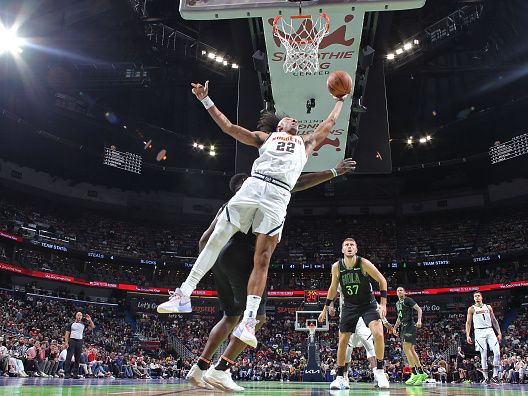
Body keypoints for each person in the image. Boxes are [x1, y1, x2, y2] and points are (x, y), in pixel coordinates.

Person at [158, 79, 348, 348]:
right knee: (217, 238)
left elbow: (328, 125)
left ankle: (248, 321)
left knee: (263, 258)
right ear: (280, 126)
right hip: (254, 184)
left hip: (279, 194)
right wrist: (205, 100)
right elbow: (229, 128)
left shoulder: (306, 142)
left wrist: (339, 102)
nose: (295, 122)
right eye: (290, 120)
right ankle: (184, 293)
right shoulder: (266, 138)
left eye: (296, 121)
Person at [186, 159, 356, 391]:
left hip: (220, 260)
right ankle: (221, 369)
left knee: (230, 316)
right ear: (248, 182)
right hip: (243, 258)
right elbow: (297, 183)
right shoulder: (259, 192)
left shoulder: (230, 203)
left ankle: (198, 370)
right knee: (258, 317)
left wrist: (209, 265)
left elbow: (204, 239)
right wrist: (334, 171)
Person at [318, 238, 390, 389]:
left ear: (356, 249)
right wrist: (325, 308)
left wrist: (383, 304)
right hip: (349, 306)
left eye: (352, 245)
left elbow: (382, 280)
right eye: (346, 245)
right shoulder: (336, 267)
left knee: (378, 333)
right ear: (342, 250)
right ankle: (340, 377)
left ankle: (380, 372)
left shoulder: (363, 263)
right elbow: (332, 288)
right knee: (343, 340)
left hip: (367, 304)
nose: (349, 247)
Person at [327, 284, 377, 389]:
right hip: (347, 317)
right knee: (346, 351)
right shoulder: (342, 278)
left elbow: (371, 298)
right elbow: (333, 294)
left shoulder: (364, 276)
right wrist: (330, 305)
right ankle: (344, 377)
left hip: (362, 318)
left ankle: (378, 375)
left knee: (370, 346)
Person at [465, 291, 501, 385]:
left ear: (481, 297)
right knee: (483, 353)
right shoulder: (471, 309)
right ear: (474, 298)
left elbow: (494, 320)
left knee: (497, 352)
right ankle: (485, 378)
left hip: (489, 330)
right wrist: (468, 335)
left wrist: (499, 332)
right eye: (475, 296)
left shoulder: (488, 307)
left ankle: (495, 376)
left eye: (478, 296)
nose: (477, 297)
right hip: (479, 331)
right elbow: (468, 323)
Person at [64, 312, 95, 379]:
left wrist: (90, 320)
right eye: (78, 315)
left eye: (80, 315)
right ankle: (67, 373)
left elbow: (92, 327)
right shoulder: (71, 324)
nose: (79, 316)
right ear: (76, 316)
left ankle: (75, 374)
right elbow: (67, 334)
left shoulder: (83, 324)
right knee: (69, 357)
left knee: (77, 358)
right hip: (72, 340)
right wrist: (66, 342)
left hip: (79, 341)